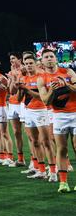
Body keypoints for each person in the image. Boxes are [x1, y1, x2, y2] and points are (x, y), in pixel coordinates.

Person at [37, 48, 76, 190]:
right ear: (42, 61)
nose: (49, 59)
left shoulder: (68, 72)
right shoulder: (42, 78)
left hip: (75, 113)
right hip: (59, 116)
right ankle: (63, 183)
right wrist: (53, 89)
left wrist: (66, 85)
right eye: (46, 57)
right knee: (62, 149)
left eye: (51, 56)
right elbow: (46, 101)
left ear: (56, 58)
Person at [13, 55, 53, 180]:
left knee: (46, 142)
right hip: (28, 111)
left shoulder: (41, 77)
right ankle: (41, 170)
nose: (29, 65)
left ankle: (53, 170)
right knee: (34, 141)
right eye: (26, 63)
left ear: (36, 64)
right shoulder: (23, 78)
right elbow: (19, 99)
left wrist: (27, 89)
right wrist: (20, 89)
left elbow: (43, 97)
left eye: (31, 63)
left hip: (41, 111)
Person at [6, 52, 26, 166]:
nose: (11, 61)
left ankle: (37, 162)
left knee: (29, 133)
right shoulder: (11, 72)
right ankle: (20, 159)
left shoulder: (25, 70)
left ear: (20, 59)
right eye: (10, 59)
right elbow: (10, 90)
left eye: (13, 58)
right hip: (12, 104)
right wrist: (12, 79)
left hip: (22, 103)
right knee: (16, 132)